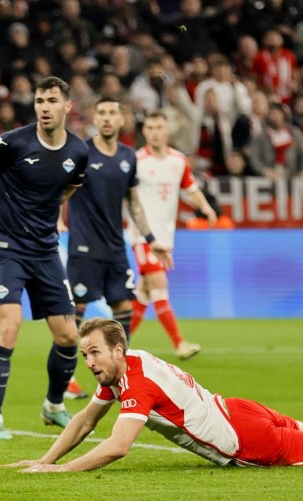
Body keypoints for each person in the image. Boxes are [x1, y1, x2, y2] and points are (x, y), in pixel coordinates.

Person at [5, 318, 303, 474]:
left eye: (93, 353)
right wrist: (45, 459)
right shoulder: (129, 366)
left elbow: (117, 445)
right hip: (236, 409)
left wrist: (61, 472)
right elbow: (85, 422)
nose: (88, 363)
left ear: (117, 349)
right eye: (84, 355)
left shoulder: (136, 383)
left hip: (242, 439)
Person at [0, 76, 90, 441]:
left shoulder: (78, 152)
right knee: (9, 325)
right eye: (39, 101)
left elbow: (67, 189)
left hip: (46, 249)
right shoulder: (11, 143)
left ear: (67, 106)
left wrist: (42, 215)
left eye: (51, 101)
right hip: (7, 247)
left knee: (68, 335)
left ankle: (53, 406)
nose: (44, 108)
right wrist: (0, 207)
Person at [61, 96, 172, 400]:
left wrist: (151, 239)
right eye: (102, 113)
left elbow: (133, 203)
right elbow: (62, 189)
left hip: (115, 247)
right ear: (95, 118)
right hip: (84, 247)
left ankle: (123, 375)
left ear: (122, 119)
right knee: (76, 316)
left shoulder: (127, 156)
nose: (108, 118)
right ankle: (68, 378)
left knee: (123, 308)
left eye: (113, 113)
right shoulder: (81, 152)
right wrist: (58, 220)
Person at [128, 111, 217, 360]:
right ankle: (179, 342)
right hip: (142, 236)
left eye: (159, 127)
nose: (155, 132)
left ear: (168, 131)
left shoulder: (179, 161)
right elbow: (124, 195)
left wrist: (205, 207)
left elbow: (191, 188)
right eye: (150, 128)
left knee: (144, 292)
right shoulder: (137, 161)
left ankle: (120, 342)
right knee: (159, 285)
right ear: (144, 131)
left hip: (166, 236)